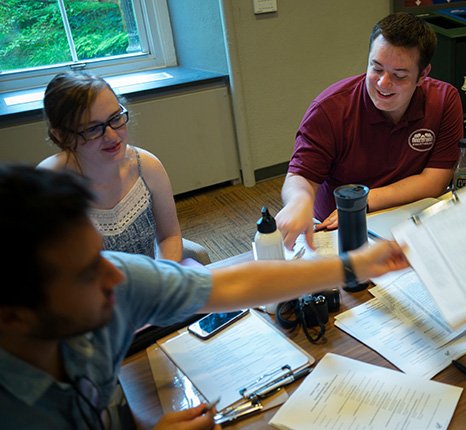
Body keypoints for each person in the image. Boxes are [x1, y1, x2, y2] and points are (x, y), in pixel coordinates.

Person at [0, 165, 408, 429]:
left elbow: (232, 284)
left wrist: (354, 265)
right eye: (88, 272)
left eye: (101, 254)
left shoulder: (111, 281)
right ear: (15, 317)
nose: (115, 274)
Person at [276, 12, 463, 250]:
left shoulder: (444, 100)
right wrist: (299, 201)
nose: (383, 83)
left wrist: (364, 200)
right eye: (376, 69)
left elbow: (435, 180)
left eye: (399, 75)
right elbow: (299, 177)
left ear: (423, 75)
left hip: (409, 217)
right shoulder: (330, 109)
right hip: (340, 225)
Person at [38, 71, 194, 262]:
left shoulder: (147, 167)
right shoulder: (47, 186)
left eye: (115, 119)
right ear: (61, 136)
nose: (112, 136)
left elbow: (169, 236)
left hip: (147, 285)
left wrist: (161, 280)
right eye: (93, 128)